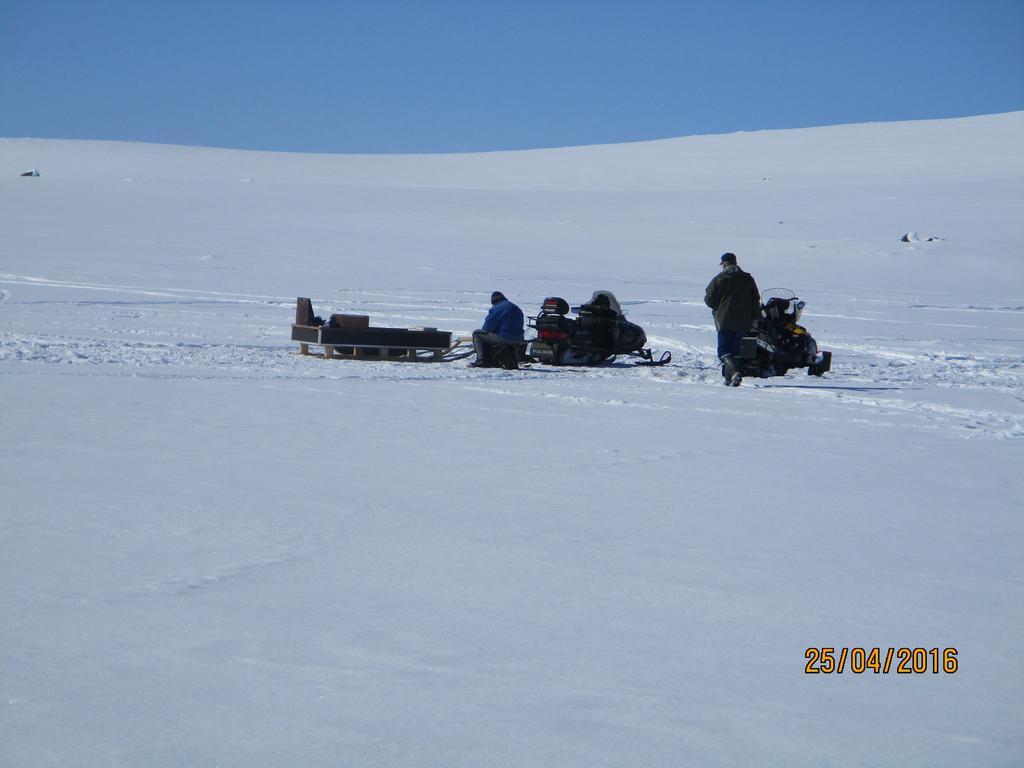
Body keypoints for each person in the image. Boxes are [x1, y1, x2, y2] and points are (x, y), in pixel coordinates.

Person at [704, 252, 760, 386]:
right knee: (734, 351)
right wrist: (755, 318)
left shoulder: (720, 278)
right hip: (743, 322)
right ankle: (729, 380)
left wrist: (719, 306)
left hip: (724, 321)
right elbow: (755, 299)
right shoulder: (747, 279)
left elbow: (709, 300)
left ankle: (735, 373)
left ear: (725, 263)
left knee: (723, 351)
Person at [471, 291, 525, 368]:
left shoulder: (497, 308)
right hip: (518, 338)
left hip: (505, 338)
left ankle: (481, 360)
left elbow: (487, 328)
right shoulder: (515, 307)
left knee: (477, 334)